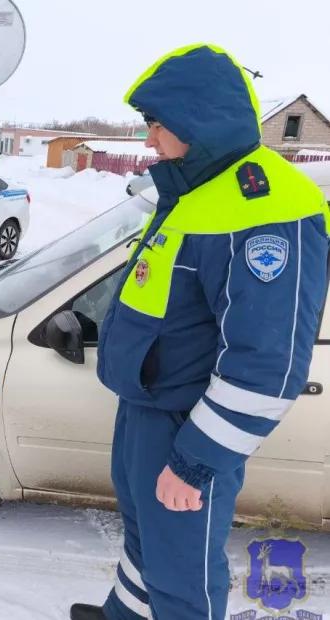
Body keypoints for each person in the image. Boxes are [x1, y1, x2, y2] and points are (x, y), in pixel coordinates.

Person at [70, 44, 330, 620]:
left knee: (183, 572)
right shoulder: (195, 190)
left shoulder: (267, 207)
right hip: (145, 413)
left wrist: (195, 462)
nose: (147, 141)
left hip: (188, 427)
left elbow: (269, 364)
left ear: (198, 119)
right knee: (147, 547)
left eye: (157, 125)